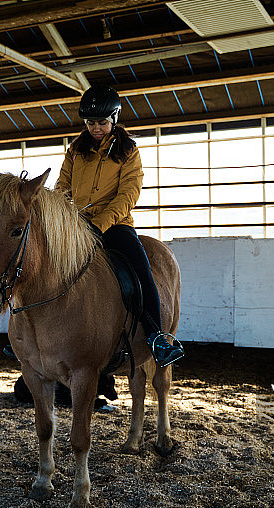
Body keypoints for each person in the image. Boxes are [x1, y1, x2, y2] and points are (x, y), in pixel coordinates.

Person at [55, 84, 183, 367]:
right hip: (77, 226)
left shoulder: (128, 151)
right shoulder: (75, 151)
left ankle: (156, 336)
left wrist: (99, 225)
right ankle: (29, 337)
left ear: (113, 119)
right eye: (90, 123)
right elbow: (62, 187)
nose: (96, 128)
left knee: (142, 272)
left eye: (101, 122)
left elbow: (128, 194)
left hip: (115, 225)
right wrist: (63, 220)